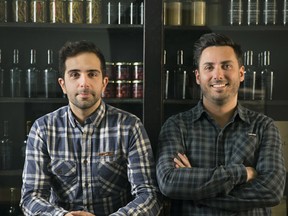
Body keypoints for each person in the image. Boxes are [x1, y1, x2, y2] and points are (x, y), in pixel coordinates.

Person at [20, 40, 162, 216]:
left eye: (92, 74)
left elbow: (149, 195)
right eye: (74, 74)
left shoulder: (129, 127)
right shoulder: (43, 129)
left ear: (104, 82)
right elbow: (30, 197)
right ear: (62, 84)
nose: (84, 83)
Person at [156, 33, 286, 215]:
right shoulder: (176, 126)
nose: (218, 75)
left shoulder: (264, 127)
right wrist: (242, 173)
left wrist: (196, 193)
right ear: (198, 76)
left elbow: (272, 191)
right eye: (209, 67)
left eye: (226, 66)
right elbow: (169, 182)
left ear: (241, 73)